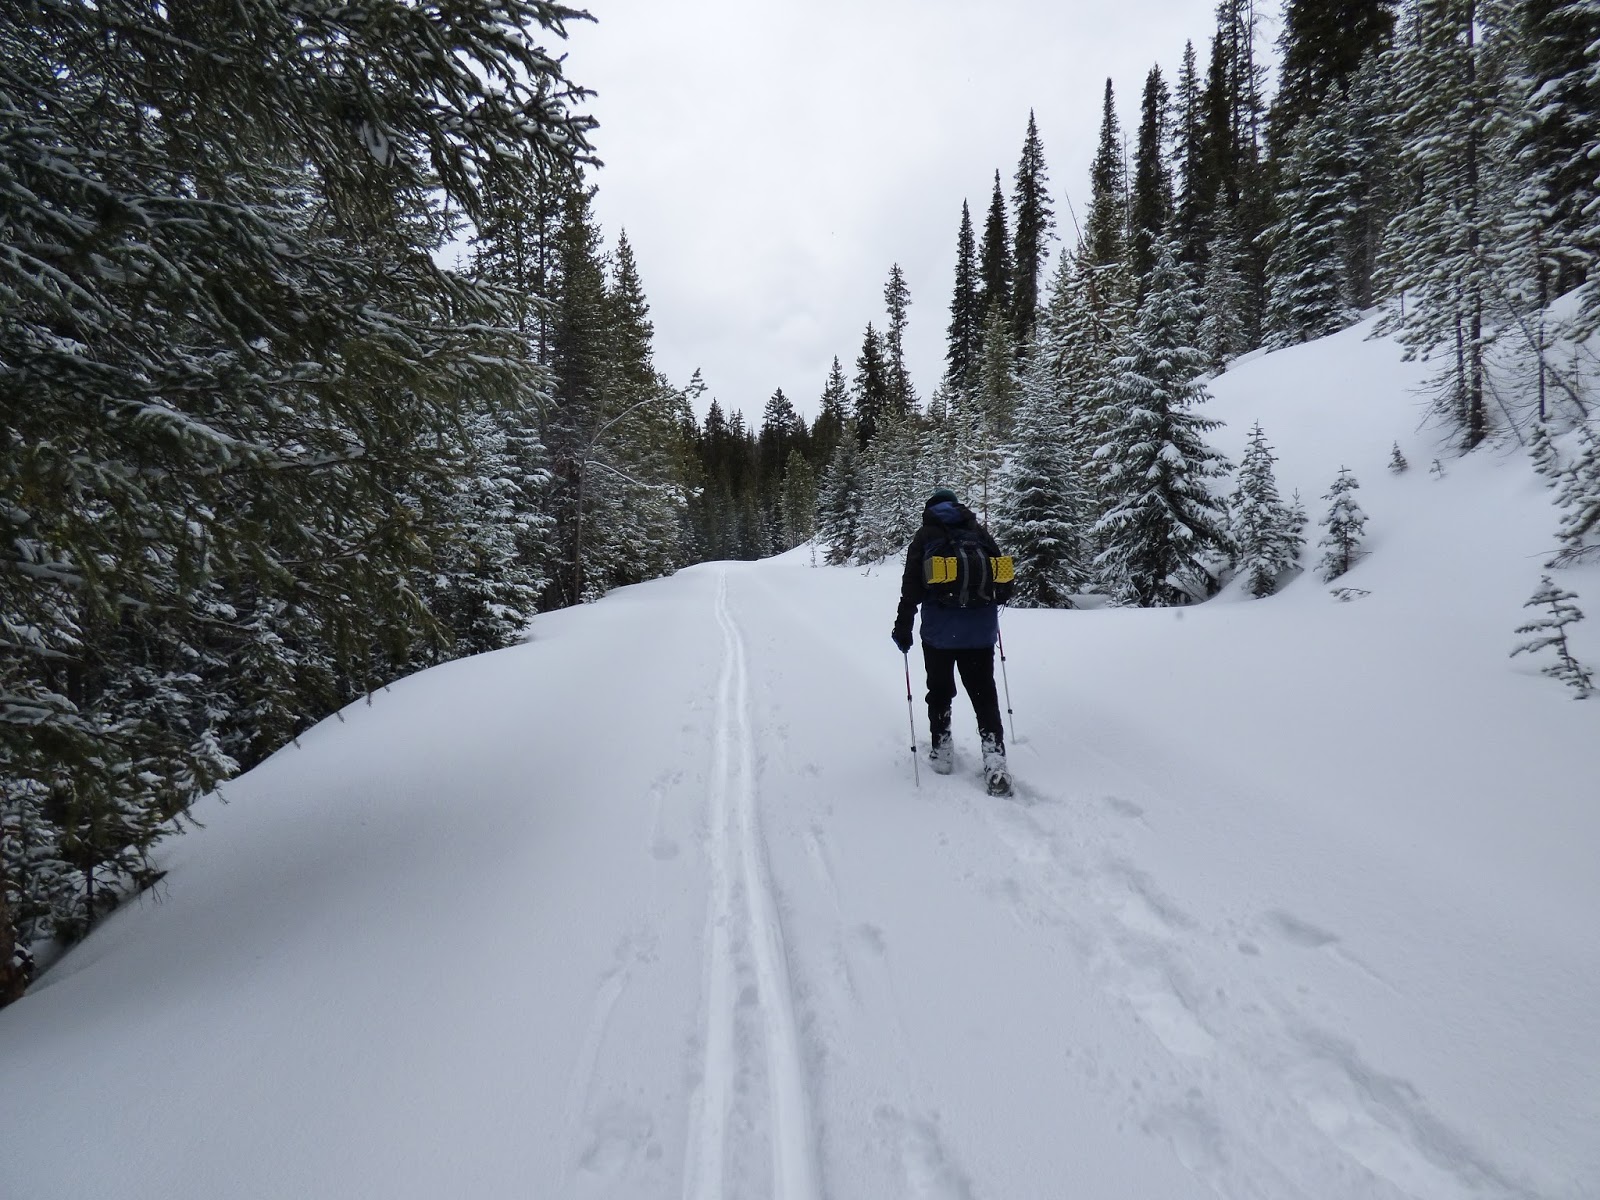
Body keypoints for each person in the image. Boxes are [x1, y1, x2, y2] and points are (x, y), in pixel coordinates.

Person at [890, 488, 1013, 796]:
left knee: (940, 691)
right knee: (984, 694)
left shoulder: (925, 535)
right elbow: (1002, 579)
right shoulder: (978, 531)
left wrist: (902, 627)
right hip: (980, 631)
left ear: (931, 509)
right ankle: (995, 760)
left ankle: (942, 749)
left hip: (939, 633)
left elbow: (911, 588)